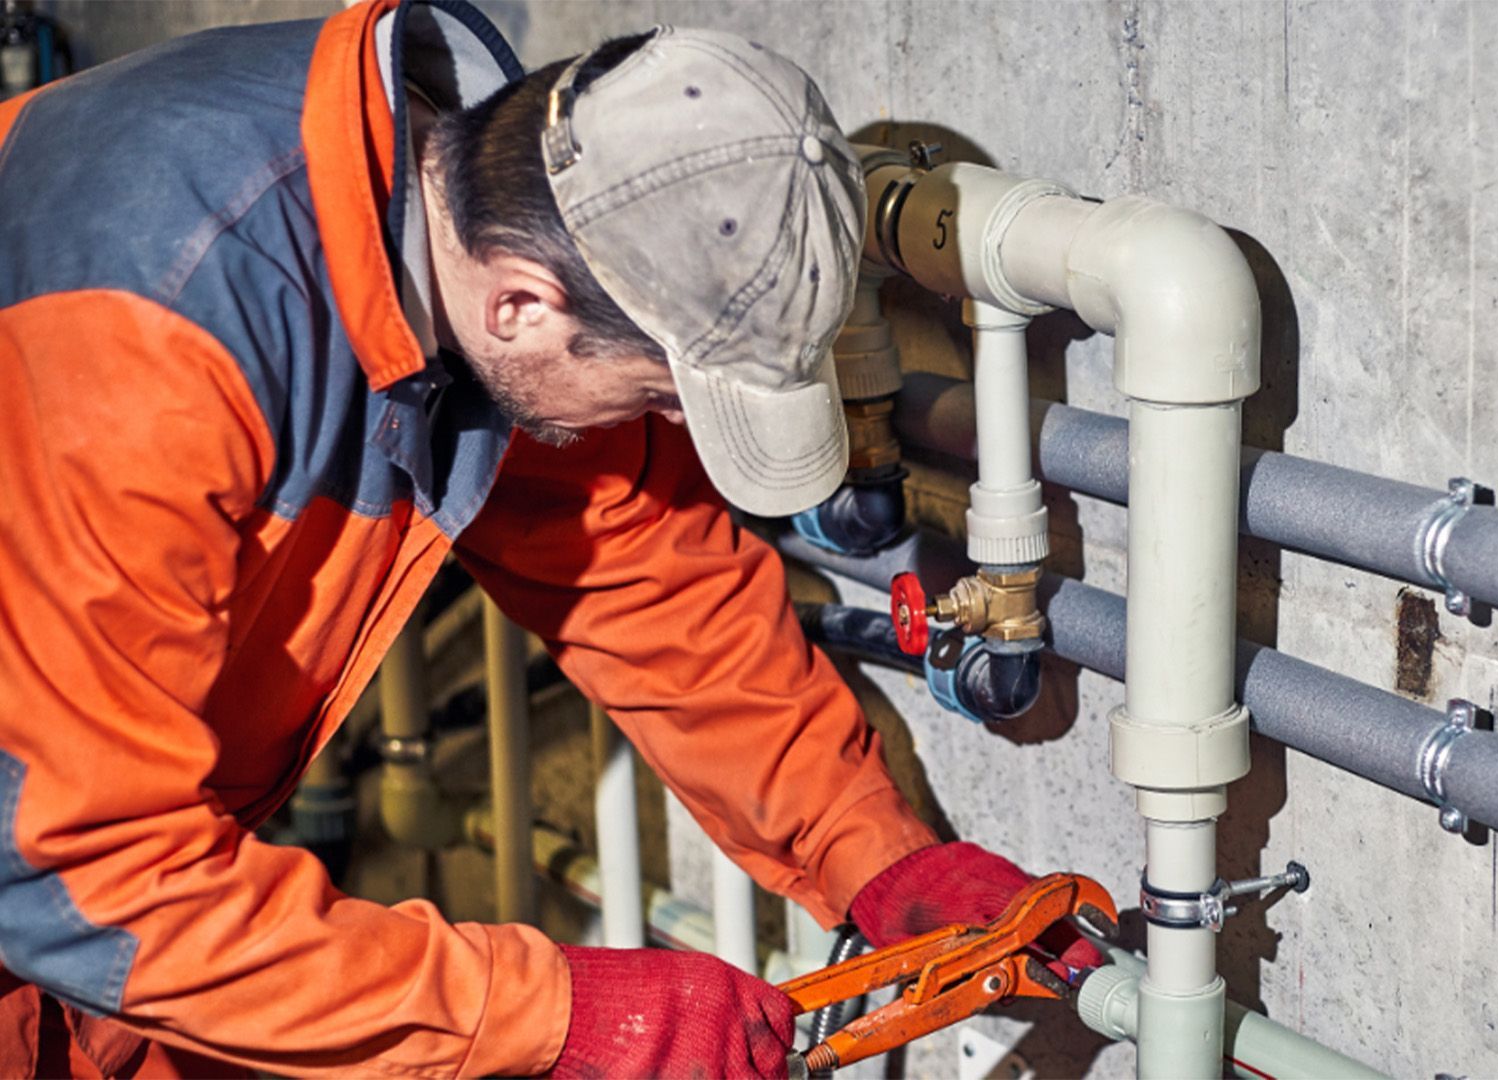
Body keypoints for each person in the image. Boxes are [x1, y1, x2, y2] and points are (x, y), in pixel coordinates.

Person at [0, 0, 1094, 1075]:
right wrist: (556, 1016)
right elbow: (74, 874)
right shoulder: (149, 340)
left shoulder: (482, 225)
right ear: (523, 306)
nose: (665, 428)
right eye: (662, 395)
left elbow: (650, 581)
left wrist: (877, 855)